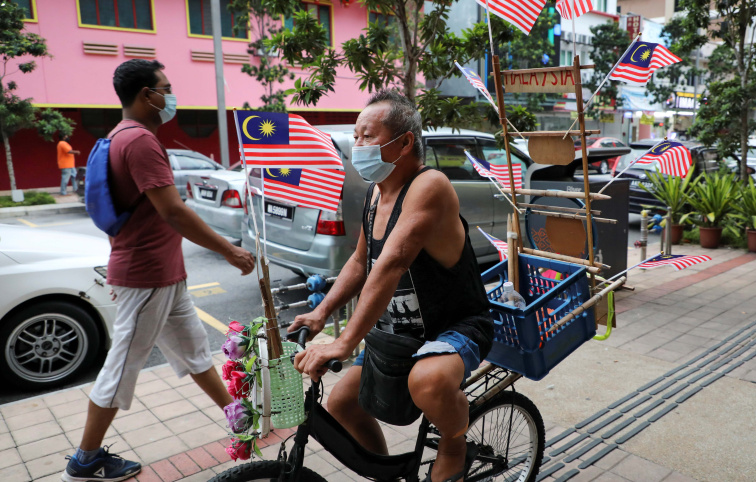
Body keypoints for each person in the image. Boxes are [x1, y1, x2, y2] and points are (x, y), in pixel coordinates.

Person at [62, 59, 255, 482]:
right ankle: (85, 460)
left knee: (194, 350)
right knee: (121, 368)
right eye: (165, 88)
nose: (170, 96)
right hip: (145, 277)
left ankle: (237, 416)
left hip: (164, 275)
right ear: (146, 95)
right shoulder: (141, 141)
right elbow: (173, 211)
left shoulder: (120, 136)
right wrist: (229, 250)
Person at [290, 90, 494, 482]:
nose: (358, 145)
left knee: (429, 381)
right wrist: (321, 312)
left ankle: (455, 443)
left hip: (455, 328)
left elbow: (391, 265)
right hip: (398, 338)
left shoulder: (429, 185)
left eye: (368, 135)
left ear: (404, 143)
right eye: (357, 135)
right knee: (342, 403)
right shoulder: (375, 194)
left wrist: (344, 342)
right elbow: (360, 262)